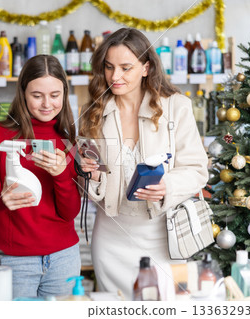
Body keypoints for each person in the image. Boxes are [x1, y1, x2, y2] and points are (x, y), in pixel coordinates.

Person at [78, 28, 208, 300]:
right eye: (109, 67)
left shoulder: (177, 107)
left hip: (166, 235)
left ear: (146, 67)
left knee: (169, 307)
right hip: (112, 237)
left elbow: (197, 170)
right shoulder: (94, 114)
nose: (115, 77)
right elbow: (86, 186)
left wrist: (166, 186)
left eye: (126, 68)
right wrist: (90, 174)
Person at [0, 55, 81, 299]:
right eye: (37, 95)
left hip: (63, 258)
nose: (47, 104)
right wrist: (1, 199)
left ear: (64, 94)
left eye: (55, 95)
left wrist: (61, 174)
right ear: (22, 92)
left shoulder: (69, 139)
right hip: (14, 260)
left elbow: (70, 212)